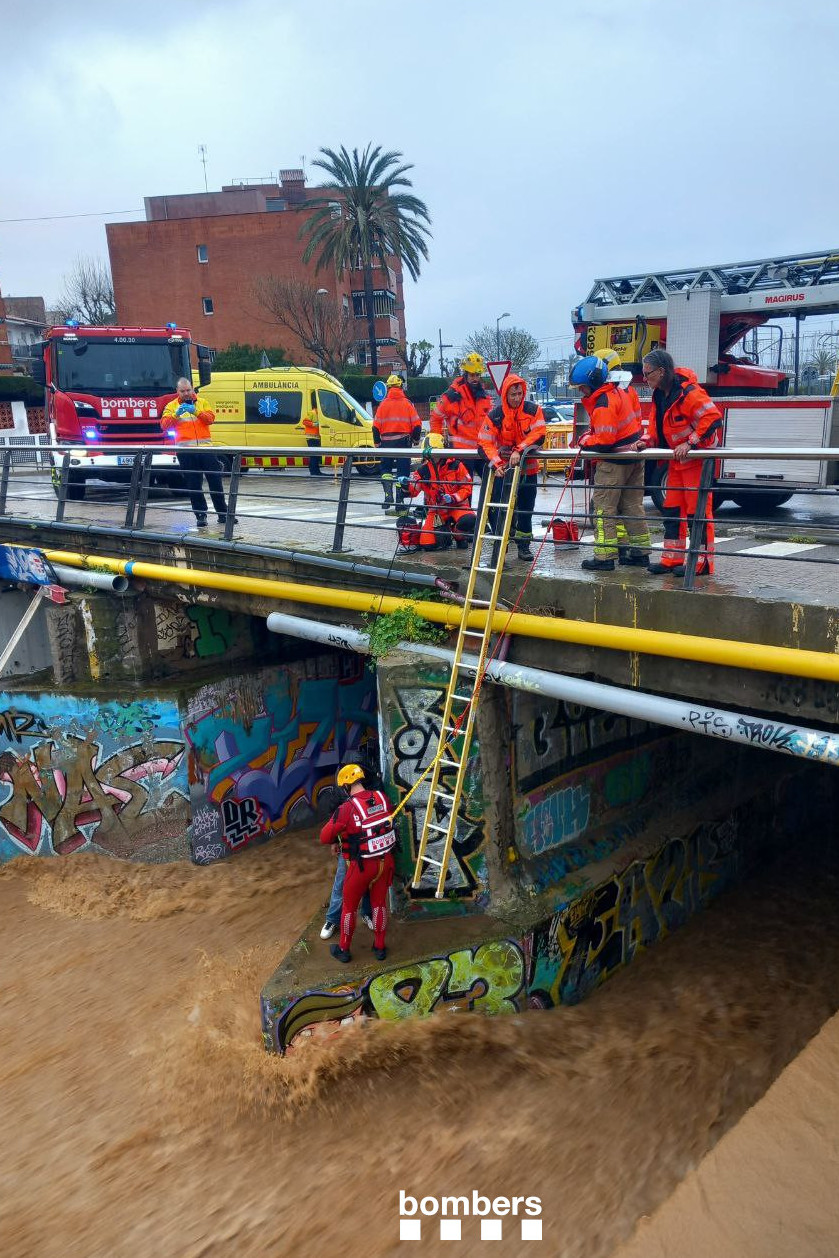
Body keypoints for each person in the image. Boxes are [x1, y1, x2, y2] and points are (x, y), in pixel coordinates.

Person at [639, 349, 722, 576]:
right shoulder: (660, 395)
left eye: (647, 374)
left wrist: (691, 443)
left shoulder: (688, 393)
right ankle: (672, 559)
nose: (644, 379)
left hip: (695, 460)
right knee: (672, 511)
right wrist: (646, 441)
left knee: (697, 514)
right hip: (676, 461)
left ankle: (702, 563)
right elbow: (657, 428)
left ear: (661, 371)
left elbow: (713, 418)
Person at [569, 355, 650, 571]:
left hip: (613, 464)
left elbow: (604, 441)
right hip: (632, 458)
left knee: (604, 510)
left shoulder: (603, 403)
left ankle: (604, 557)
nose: (581, 391)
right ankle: (640, 553)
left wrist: (584, 441)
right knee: (633, 507)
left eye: (582, 387)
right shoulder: (620, 391)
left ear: (593, 383)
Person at [319, 763, 397, 963]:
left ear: (345, 786)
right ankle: (380, 947)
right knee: (379, 905)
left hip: (362, 866)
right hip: (385, 861)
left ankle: (344, 949)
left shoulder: (347, 808)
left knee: (349, 908)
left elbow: (324, 836)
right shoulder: (382, 797)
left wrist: (342, 832)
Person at [478, 373, 546, 561]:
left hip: (527, 471)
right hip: (504, 472)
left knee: (526, 510)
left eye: (519, 394)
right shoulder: (495, 415)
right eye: (513, 394)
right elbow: (484, 443)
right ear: (505, 395)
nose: (517, 398)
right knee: (499, 510)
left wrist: (519, 450)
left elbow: (539, 435)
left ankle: (524, 546)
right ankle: (501, 545)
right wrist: (496, 464)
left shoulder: (533, 410)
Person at [162, 378, 236, 528]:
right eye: (182, 391)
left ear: (192, 389)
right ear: (177, 391)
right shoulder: (171, 406)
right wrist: (176, 415)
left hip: (206, 449)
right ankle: (200, 515)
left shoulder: (202, 402)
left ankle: (223, 513)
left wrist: (196, 411)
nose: (186, 393)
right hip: (186, 451)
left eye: (188, 390)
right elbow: (164, 425)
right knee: (193, 484)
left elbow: (211, 419)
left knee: (215, 482)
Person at [396, 433, 476, 550]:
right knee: (428, 545)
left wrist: (453, 497)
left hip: (458, 506)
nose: (432, 457)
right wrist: (405, 485)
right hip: (436, 511)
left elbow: (467, 487)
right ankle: (445, 532)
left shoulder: (456, 465)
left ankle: (458, 536)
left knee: (469, 520)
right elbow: (413, 492)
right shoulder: (423, 470)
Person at [429, 352, 492, 462]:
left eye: (477, 375)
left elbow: (490, 425)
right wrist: (437, 442)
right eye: (472, 375)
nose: (475, 379)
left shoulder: (484, 397)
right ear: (465, 375)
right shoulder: (452, 396)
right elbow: (435, 417)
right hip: (460, 454)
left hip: (482, 452)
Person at [373, 374, 422, 514]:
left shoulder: (383, 405)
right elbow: (417, 426)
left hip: (386, 443)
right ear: (401, 386)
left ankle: (388, 494)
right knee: (403, 472)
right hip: (403, 443)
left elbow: (375, 427)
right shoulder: (407, 403)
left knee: (385, 470)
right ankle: (400, 502)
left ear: (388, 387)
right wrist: (415, 440)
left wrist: (377, 443)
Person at [301, 405, 322, 476]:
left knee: (316, 455)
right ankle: (313, 472)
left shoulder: (319, 413)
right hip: (311, 438)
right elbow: (304, 422)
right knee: (314, 456)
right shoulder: (312, 412)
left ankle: (317, 471)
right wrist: (314, 424)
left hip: (316, 437)